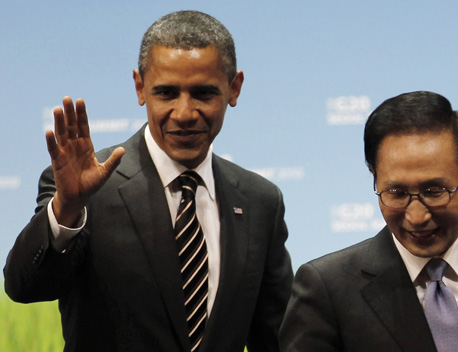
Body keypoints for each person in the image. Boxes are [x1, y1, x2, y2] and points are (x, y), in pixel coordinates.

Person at [4, 10, 293, 352]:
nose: (184, 114)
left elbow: (277, 338)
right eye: (166, 93)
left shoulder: (261, 201)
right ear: (140, 88)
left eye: (203, 94)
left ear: (234, 88)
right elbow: (24, 287)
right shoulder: (85, 190)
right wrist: (67, 209)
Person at [279, 91, 458, 352]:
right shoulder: (327, 289)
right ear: (374, 178)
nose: (416, 217)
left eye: (434, 192)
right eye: (397, 193)